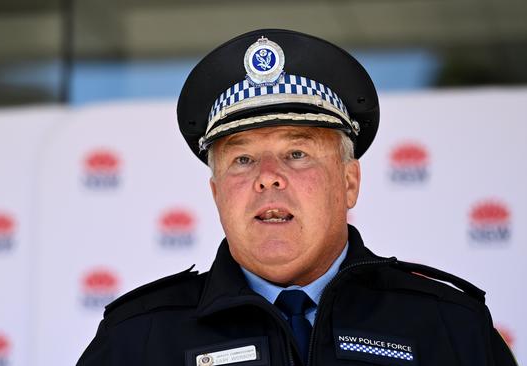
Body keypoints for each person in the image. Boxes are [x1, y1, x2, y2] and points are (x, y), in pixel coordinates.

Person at [77, 29, 516, 366]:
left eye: (296, 153)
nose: (268, 178)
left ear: (349, 181)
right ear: (216, 194)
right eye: (243, 159)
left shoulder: (449, 327)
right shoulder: (136, 340)